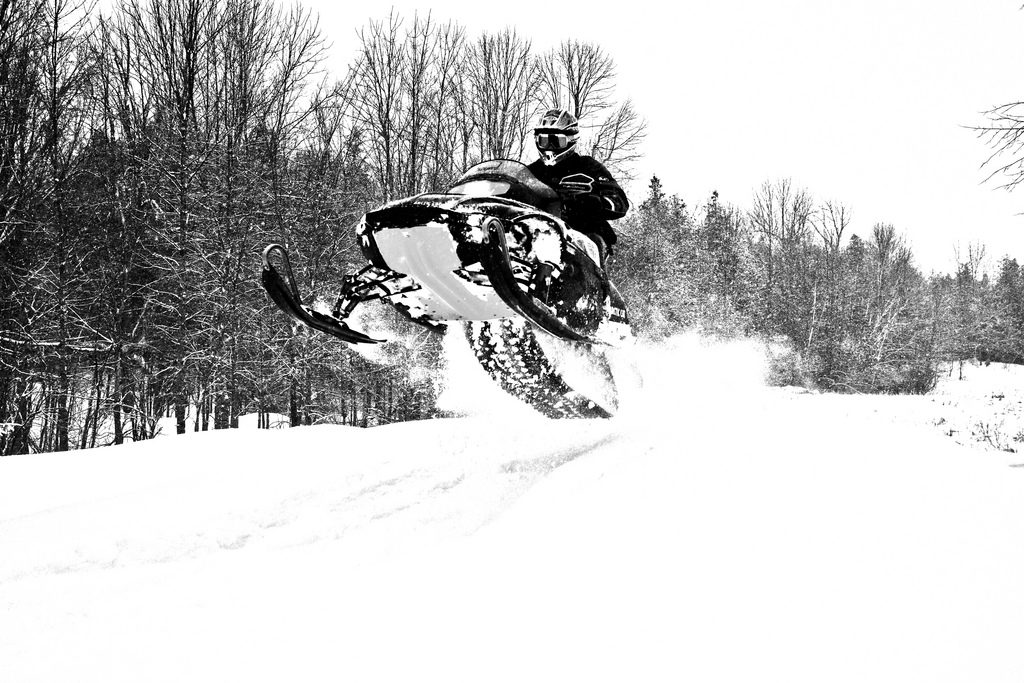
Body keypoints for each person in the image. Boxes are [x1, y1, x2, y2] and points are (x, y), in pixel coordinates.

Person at [527, 108, 629, 266]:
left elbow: (619, 202)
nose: (549, 147)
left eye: (556, 141)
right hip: (537, 234)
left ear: (570, 140)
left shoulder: (588, 167)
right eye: (544, 140)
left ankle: (597, 288)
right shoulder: (531, 172)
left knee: (592, 243)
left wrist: (593, 203)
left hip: (583, 233)